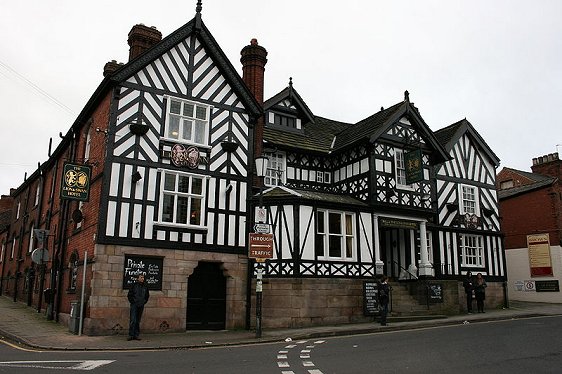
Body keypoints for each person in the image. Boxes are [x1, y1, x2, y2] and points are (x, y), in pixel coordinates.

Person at [127, 274, 149, 341]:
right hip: (134, 305)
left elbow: (147, 295)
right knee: (133, 320)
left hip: (141, 305)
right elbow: (129, 295)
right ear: (138, 278)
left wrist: (143, 302)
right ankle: (131, 335)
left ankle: (136, 335)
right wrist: (133, 302)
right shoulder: (134, 285)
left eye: (143, 277)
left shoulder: (145, 286)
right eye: (141, 277)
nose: (143, 279)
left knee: (138, 321)